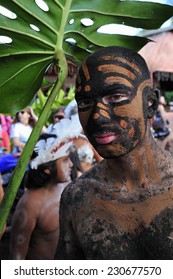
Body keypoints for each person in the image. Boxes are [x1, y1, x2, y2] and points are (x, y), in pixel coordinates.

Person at [56, 46, 173, 260]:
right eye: (85, 102)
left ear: (150, 103)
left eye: (116, 97)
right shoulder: (78, 197)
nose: (97, 117)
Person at [9, 117, 81, 260]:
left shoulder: (68, 188)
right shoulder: (30, 204)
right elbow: (16, 258)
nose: (72, 165)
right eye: (65, 160)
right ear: (48, 169)